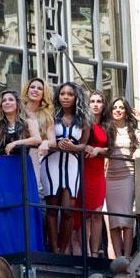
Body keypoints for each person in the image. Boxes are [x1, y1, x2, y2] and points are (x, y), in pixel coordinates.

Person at [0, 81, 44, 256]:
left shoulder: (28, 122)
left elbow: (37, 140)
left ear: (17, 103)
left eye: (10, 100)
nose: (6, 103)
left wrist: (17, 142)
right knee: (5, 208)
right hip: (5, 168)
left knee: (23, 207)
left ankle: (27, 249)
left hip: (21, 166)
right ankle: (6, 251)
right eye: (4, 100)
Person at [40, 82, 90, 253]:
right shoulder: (50, 115)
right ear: (58, 96)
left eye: (70, 94)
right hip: (51, 162)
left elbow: (84, 144)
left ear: (76, 97)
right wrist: (57, 144)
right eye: (62, 94)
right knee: (52, 207)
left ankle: (63, 249)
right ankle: (54, 249)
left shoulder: (84, 118)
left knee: (68, 210)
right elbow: (43, 138)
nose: (66, 97)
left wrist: (74, 148)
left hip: (72, 164)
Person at [105, 97, 140, 258]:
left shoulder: (132, 129)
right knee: (113, 220)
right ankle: (118, 257)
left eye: (121, 107)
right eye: (115, 107)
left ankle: (127, 255)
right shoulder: (107, 129)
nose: (118, 110)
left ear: (126, 111)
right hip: (109, 176)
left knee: (126, 218)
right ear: (111, 111)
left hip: (127, 176)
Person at [72, 90, 108, 257]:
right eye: (92, 101)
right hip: (83, 168)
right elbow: (78, 142)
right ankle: (85, 251)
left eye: (99, 101)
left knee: (97, 212)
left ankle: (95, 252)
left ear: (103, 104)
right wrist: (84, 146)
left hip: (98, 171)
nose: (95, 104)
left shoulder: (108, 124)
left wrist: (98, 149)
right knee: (84, 213)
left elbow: (112, 148)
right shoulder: (83, 122)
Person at [22, 77, 55, 189]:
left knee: (33, 192)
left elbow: (53, 141)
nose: (35, 90)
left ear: (43, 93)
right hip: (17, 156)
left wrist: (46, 142)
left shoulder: (46, 115)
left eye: (39, 88)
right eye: (32, 87)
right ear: (27, 90)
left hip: (37, 158)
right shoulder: (18, 109)